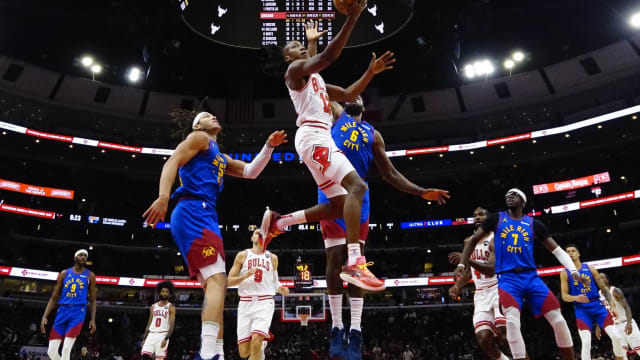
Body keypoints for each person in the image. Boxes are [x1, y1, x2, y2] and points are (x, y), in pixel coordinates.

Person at [143, 112, 288, 360]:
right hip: (193, 210)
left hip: (206, 214)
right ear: (198, 125)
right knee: (218, 283)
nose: (214, 116)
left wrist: (268, 147)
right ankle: (208, 352)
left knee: (217, 287)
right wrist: (164, 196)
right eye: (206, 116)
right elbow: (171, 162)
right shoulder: (199, 138)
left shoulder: (219, 157)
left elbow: (252, 171)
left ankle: (217, 351)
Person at [454, 188, 586, 360]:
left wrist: (573, 271)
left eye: (514, 195)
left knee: (558, 319)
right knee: (512, 323)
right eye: (508, 195)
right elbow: (471, 241)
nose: (510, 196)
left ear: (523, 201)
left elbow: (557, 250)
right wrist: (462, 264)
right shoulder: (496, 219)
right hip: (508, 279)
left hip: (531, 277)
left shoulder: (534, 224)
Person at [448, 207, 509, 360]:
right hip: (481, 293)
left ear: (488, 218)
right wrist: (458, 285)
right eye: (474, 215)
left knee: (505, 336)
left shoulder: (496, 238)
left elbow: (491, 269)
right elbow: (469, 271)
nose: (477, 217)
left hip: (498, 288)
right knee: (483, 339)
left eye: (481, 215)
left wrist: (466, 257)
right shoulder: (468, 241)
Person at [227, 229, 289, 360]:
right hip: (245, 303)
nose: (259, 234)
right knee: (243, 352)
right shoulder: (242, 255)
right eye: (256, 232)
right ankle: (262, 344)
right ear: (252, 238)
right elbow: (228, 281)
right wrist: (245, 275)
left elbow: (275, 283)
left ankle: (260, 341)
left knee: (255, 341)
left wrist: (282, 288)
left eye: (263, 233)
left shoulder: (273, 258)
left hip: (264, 302)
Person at [560, 245, 625, 359]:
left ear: (578, 253)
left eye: (573, 251)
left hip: (597, 306)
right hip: (581, 309)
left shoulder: (590, 268)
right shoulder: (565, 273)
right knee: (586, 343)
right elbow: (564, 296)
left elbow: (603, 288)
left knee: (616, 337)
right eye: (568, 252)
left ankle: (620, 357)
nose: (571, 253)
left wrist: (612, 304)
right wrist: (575, 298)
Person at [40, 249, 96, 360]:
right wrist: (44, 316)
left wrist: (93, 319)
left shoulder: (90, 275)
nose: (83, 257)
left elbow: (93, 300)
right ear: (75, 258)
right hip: (62, 311)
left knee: (66, 349)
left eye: (85, 256)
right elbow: (54, 297)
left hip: (78, 311)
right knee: (51, 352)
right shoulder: (64, 274)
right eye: (81, 255)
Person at [598, 273, 640, 357]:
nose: (600, 279)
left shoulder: (615, 291)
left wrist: (628, 323)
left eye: (602, 277)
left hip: (626, 323)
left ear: (607, 280)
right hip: (615, 328)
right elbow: (602, 312)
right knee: (621, 355)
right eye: (598, 278)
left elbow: (627, 307)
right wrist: (598, 326)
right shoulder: (598, 295)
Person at [141, 281, 176, 360]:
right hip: (151, 334)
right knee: (144, 356)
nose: (164, 294)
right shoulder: (153, 306)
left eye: (166, 292)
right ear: (159, 292)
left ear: (169, 294)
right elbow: (149, 323)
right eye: (163, 291)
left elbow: (171, 325)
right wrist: (144, 338)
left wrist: (166, 339)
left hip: (162, 335)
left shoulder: (171, 307)